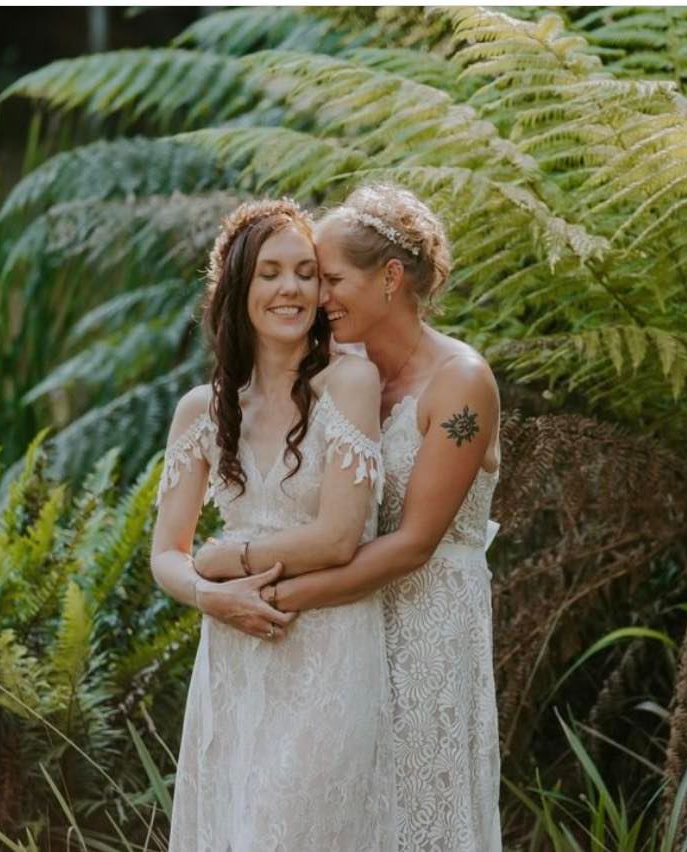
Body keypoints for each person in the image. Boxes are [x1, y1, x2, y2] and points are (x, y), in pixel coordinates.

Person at [195, 184, 503, 850]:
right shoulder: (346, 375)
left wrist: (272, 598)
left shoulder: (462, 385)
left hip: (427, 623)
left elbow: (415, 544)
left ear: (389, 278)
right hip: (350, 631)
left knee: (423, 810)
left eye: (329, 278)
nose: (317, 297)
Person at [150, 198, 395, 851]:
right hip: (232, 655)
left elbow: (339, 538)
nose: (291, 288)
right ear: (239, 288)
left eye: (306, 273)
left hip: (328, 652)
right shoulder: (201, 410)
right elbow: (167, 555)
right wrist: (211, 596)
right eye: (270, 272)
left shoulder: (351, 382)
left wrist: (232, 557)